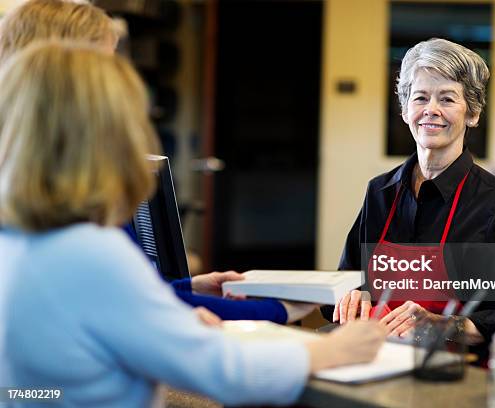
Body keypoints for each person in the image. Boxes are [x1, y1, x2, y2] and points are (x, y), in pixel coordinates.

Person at [0, 41, 386, 406]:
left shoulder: (18, 240)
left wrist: (173, 315)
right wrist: (332, 350)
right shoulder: (90, 253)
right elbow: (221, 372)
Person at [0, 0, 313, 325]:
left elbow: (119, 295)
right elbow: (138, 309)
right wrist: (279, 310)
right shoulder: (68, 192)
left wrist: (187, 287)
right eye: (105, 67)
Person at [326, 38, 495, 358]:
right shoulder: (379, 192)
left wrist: (441, 324)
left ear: (473, 113)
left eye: (447, 98)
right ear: (406, 110)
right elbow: (347, 282)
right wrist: (350, 296)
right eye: (420, 97)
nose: (431, 110)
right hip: (372, 359)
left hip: (452, 375)